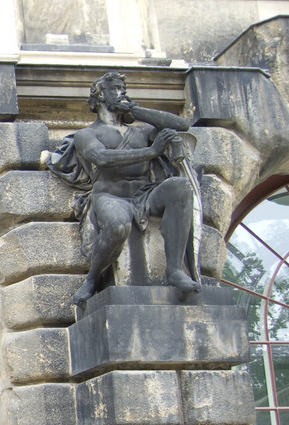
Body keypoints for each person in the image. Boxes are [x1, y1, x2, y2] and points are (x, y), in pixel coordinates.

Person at [47, 72, 202, 305]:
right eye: (115, 89)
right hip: (110, 195)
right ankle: (92, 279)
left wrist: (135, 111)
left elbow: (181, 124)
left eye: (123, 88)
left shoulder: (141, 131)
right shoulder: (86, 134)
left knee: (179, 187)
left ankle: (175, 271)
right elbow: (100, 157)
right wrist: (151, 152)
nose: (121, 93)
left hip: (144, 193)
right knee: (118, 225)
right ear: (99, 96)